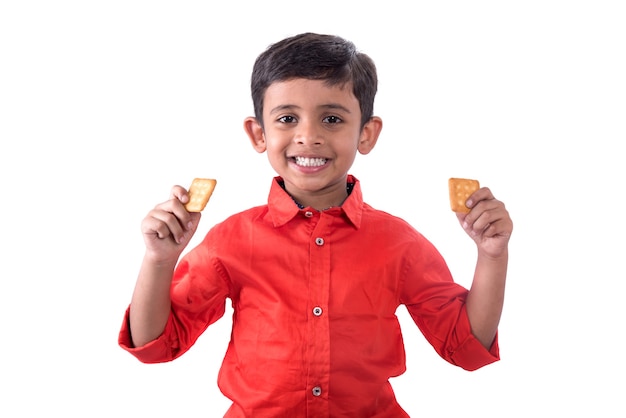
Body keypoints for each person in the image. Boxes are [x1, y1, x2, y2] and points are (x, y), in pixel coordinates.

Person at [118, 32, 513, 417]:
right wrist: (159, 260)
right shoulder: (231, 241)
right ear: (259, 133)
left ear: (367, 134)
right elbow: (155, 345)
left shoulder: (399, 244)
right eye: (287, 118)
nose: (308, 136)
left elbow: (466, 348)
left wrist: (492, 255)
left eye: (331, 119)